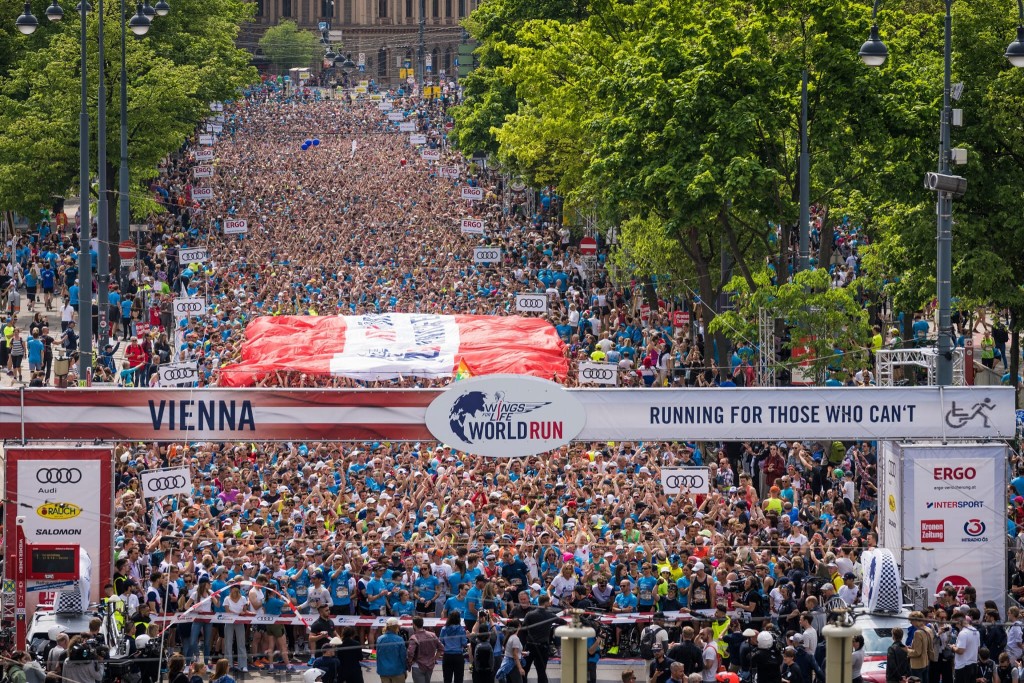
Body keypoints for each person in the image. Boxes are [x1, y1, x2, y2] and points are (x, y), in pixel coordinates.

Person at [522, 594, 564, 683]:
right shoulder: (550, 615)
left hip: (530, 645)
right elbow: (562, 622)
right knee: (541, 671)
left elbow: (523, 628)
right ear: (546, 603)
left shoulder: (530, 614)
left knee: (525, 669)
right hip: (542, 647)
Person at [408, 616, 444, 683]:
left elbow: (410, 652)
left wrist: (410, 661)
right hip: (430, 665)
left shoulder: (414, 637)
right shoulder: (432, 635)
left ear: (414, 625)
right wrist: (434, 658)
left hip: (417, 666)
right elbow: (441, 648)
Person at [376, 618, 409, 683]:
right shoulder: (399, 639)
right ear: (396, 627)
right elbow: (403, 656)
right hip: (397, 671)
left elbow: (378, 656)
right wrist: (405, 669)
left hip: (384, 671)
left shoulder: (379, 639)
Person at [440, 611, 468, 683]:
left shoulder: (444, 629)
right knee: (459, 679)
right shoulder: (461, 629)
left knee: (447, 679)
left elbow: (441, 642)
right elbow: (464, 643)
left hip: (447, 656)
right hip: (458, 656)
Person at [953, 613, 980, 683]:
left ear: (958, 621)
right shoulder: (976, 631)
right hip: (973, 664)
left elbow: (960, 651)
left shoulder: (963, 633)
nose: (955, 626)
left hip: (963, 666)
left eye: (955, 623)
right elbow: (978, 647)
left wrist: (953, 647)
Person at [499, 619, 526, 683]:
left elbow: (510, 651)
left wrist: (521, 652)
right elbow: (515, 654)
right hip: (514, 665)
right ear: (519, 626)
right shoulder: (515, 638)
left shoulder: (509, 636)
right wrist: (520, 668)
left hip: (509, 664)